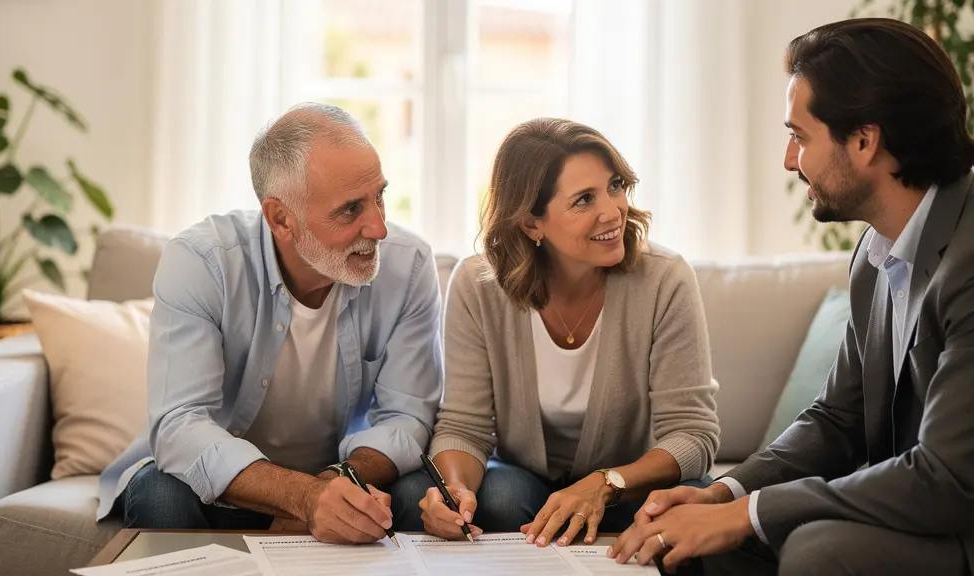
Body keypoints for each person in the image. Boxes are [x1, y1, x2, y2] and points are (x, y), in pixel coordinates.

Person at [609, 18, 974, 575]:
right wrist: (725, 495)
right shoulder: (876, 257)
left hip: (958, 519)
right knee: (689, 543)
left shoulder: (968, 259)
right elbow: (836, 419)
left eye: (800, 136)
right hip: (915, 512)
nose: (788, 159)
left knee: (814, 551)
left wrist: (749, 513)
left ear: (864, 140)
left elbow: (946, 478)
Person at [95, 103, 444, 544]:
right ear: (281, 218)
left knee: (418, 490)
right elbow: (180, 424)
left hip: (344, 474)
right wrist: (301, 497)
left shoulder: (408, 266)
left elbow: (408, 416)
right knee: (159, 495)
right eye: (351, 209)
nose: (378, 227)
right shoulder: (203, 262)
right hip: (224, 486)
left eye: (380, 196)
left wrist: (330, 488)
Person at [397, 117, 720, 547]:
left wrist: (606, 483)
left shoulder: (665, 280)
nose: (612, 211)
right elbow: (465, 425)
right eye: (584, 200)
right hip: (523, 480)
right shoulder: (477, 287)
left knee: (693, 501)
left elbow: (693, 434)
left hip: (626, 482)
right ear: (532, 224)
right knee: (483, 499)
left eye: (616, 186)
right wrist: (455, 490)